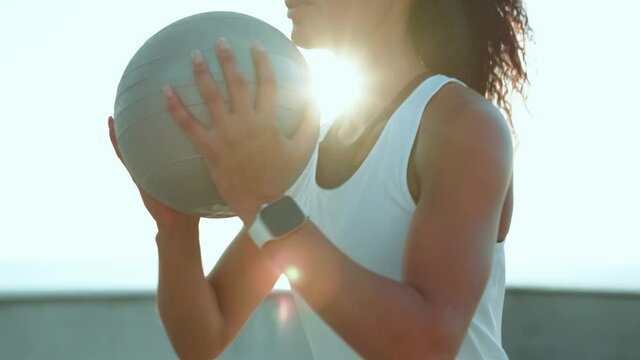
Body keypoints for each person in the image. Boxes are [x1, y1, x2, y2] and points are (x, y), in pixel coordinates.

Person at [108, 0, 530, 358]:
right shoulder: (304, 146)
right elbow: (205, 334)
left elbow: (428, 344)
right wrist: (175, 226)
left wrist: (267, 203)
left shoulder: (463, 125)